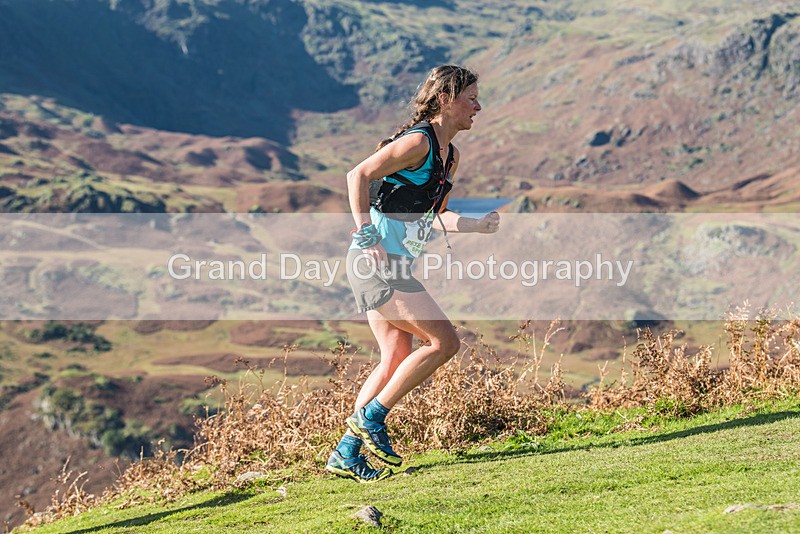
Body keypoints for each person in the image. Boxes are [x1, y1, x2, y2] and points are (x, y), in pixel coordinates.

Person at [325, 65, 500, 483]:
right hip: (375, 263)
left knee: (396, 356)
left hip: (394, 263)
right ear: (445, 100)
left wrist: (474, 224)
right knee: (445, 341)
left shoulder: (449, 155)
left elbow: (435, 214)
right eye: (471, 97)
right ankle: (372, 418)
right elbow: (358, 175)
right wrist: (369, 238)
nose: (478, 106)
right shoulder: (418, 141)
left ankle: (345, 454)